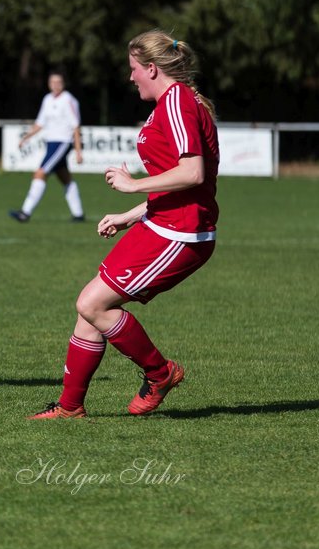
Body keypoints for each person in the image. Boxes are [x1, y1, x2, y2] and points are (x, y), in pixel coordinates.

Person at [30, 31, 219, 419]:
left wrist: (133, 184)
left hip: (181, 234)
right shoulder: (171, 103)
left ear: (151, 69)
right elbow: (176, 182)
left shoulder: (178, 102)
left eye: (134, 69)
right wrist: (128, 216)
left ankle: (160, 372)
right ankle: (69, 408)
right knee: (89, 307)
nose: (131, 77)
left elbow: (193, 172)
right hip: (161, 224)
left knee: (92, 303)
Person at [9, 71, 84, 222]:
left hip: (62, 143)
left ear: (63, 84)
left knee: (40, 173)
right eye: (53, 82)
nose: (55, 85)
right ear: (49, 84)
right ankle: (78, 215)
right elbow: (40, 123)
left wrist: (78, 151)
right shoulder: (47, 99)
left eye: (59, 82)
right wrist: (26, 137)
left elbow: (76, 126)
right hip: (51, 143)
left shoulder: (69, 100)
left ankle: (25, 213)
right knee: (65, 178)